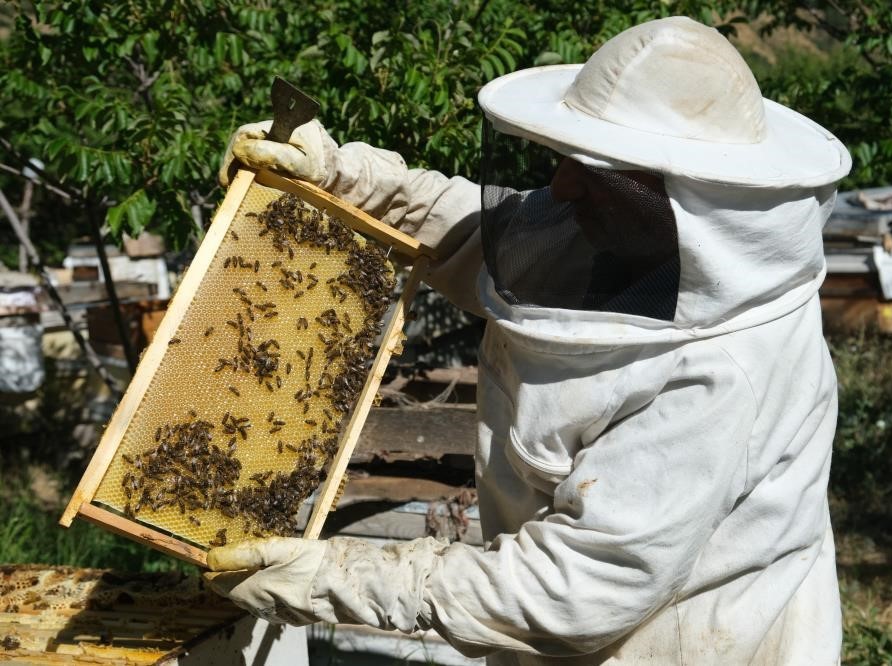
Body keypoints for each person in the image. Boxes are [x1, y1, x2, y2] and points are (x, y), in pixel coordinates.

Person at [207, 16, 852, 664]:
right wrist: (343, 178)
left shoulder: (722, 371)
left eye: (594, 169)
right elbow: (482, 235)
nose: (563, 184)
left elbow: (576, 590)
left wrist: (336, 578)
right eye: (566, 157)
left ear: (683, 198)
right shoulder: (640, 245)